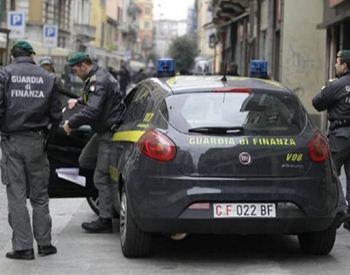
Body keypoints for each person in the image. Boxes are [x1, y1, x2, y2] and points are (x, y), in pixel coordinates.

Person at [0, 41, 62, 260]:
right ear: (32, 55)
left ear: (13, 56)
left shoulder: (4, 74)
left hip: (12, 140)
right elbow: (56, 115)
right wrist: (47, 139)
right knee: (40, 196)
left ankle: (23, 247)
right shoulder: (48, 78)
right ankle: (45, 244)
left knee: (16, 194)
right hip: (37, 140)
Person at [63, 52, 125, 233]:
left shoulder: (99, 79)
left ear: (83, 65)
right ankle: (106, 193)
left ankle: (105, 219)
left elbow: (93, 110)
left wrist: (71, 123)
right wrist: (79, 100)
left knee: (101, 177)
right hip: (101, 132)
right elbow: (97, 99)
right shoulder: (97, 77)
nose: (75, 74)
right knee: (84, 160)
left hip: (109, 133)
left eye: (75, 70)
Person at [312, 49, 350, 230]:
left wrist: (326, 88)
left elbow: (317, 103)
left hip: (341, 135)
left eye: (337, 62)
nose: (335, 65)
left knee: (331, 172)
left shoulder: (337, 85)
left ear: (344, 65)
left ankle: (341, 209)